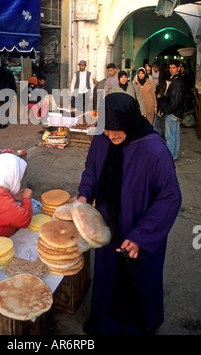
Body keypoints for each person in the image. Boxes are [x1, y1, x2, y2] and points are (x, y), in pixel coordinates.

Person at [77, 93, 182, 335]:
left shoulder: (154, 150)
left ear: (130, 120)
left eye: (117, 130)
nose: (111, 135)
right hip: (107, 226)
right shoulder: (101, 139)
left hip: (138, 232)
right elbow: (92, 169)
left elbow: (169, 198)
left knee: (136, 285)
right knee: (108, 278)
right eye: (107, 129)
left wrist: (142, 238)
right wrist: (84, 194)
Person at [160, 59, 185, 161]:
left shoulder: (176, 82)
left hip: (172, 113)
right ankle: (174, 155)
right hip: (176, 113)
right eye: (170, 67)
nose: (171, 70)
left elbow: (175, 101)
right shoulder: (177, 80)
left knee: (170, 136)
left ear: (179, 68)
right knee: (175, 135)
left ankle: (170, 157)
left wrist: (166, 110)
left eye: (174, 67)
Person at [0, 59, 17, 129]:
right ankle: (4, 123)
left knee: (0, 107)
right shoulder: (9, 72)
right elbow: (13, 84)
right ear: (7, 65)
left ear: (1, 64)